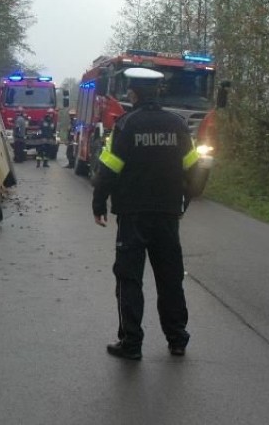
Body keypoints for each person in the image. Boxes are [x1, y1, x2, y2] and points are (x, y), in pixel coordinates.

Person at [92, 67, 200, 361]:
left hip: (133, 216)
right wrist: (183, 203)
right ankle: (177, 339)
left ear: (133, 93)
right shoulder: (178, 125)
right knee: (170, 278)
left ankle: (131, 343)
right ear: (158, 93)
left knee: (129, 279)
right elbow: (194, 168)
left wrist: (99, 204)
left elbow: (109, 169)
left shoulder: (126, 125)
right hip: (166, 214)